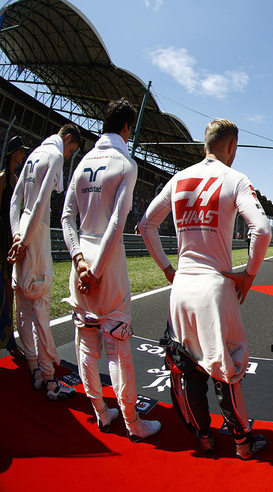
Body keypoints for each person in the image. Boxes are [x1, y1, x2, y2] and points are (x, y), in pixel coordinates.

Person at [140, 118, 271, 459]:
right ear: (232, 146)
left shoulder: (179, 177)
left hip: (182, 285)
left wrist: (168, 269)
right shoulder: (235, 178)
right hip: (216, 286)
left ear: (204, 144)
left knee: (187, 365)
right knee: (224, 366)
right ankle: (242, 443)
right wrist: (250, 274)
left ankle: (204, 437)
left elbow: (145, 225)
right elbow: (261, 229)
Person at [62, 99, 161, 441]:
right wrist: (99, 269)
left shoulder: (82, 162)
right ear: (126, 128)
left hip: (81, 263)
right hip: (108, 263)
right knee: (118, 348)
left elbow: (65, 217)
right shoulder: (125, 163)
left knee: (86, 346)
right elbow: (119, 222)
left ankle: (102, 414)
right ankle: (133, 424)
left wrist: (79, 261)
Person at [8, 122, 82, 400]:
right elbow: (42, 201)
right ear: (68, 138)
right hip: (36, 231)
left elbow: (16, 199)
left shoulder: (32, 155)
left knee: (23, 305)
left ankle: (35, 370)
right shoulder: (54, 155)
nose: (69, 154)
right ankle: (51, 379)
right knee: (39, 302)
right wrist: (26, 240)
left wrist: (16, 235)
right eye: (72, 149)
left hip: (23, 226)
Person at [1, 136, 28, 358]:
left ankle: (9, 340)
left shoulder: (16, 179)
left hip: (9, 240)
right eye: (21, 151)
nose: (23, 155)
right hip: (1, 240)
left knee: (9, 290)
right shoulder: (2, 179)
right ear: (13, 153)